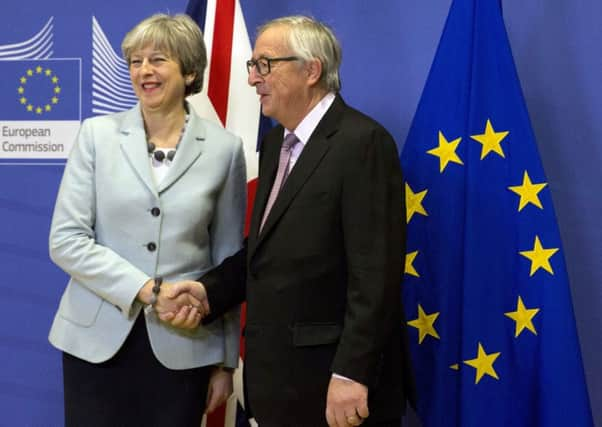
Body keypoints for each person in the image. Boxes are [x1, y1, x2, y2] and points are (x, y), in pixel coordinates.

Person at [168, 15, 415, 427]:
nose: (252, 79)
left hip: (335, 390)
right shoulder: (276, 142)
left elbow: (376, 274)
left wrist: (352, 372)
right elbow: (266, 254)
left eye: (264, 65)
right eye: (252, 66)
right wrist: (208, 292)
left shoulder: (362, 142)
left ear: (311, 69)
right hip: (278, 386)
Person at [47, 13, 246, 427]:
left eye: (158, 60)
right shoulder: (96, 136)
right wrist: (147, 289)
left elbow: (227, 261)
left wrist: (226, 363)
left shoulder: (225, 150)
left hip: (185, 346)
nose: (144, 71)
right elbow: (66, 239)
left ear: (190, 71)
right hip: (95, 343)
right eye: (136, 61)